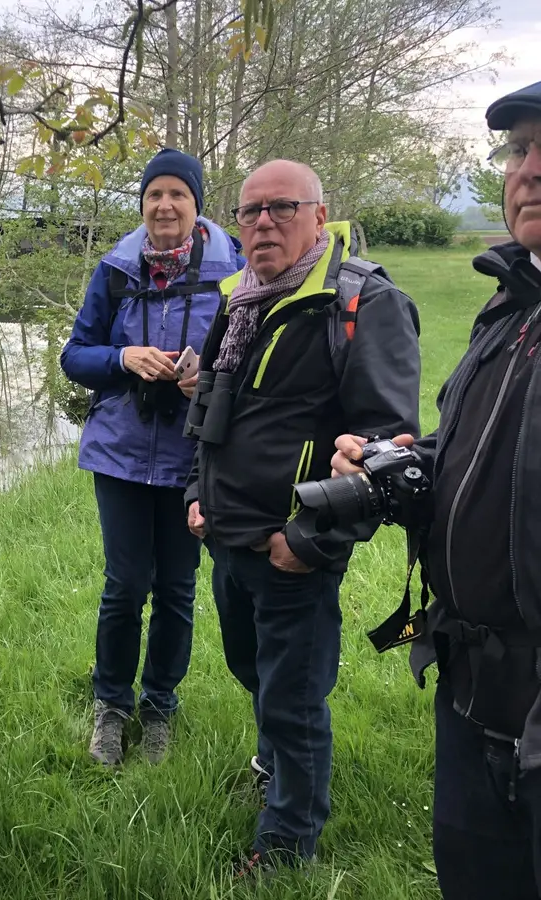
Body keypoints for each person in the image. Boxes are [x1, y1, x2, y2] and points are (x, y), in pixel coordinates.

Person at [331, 79, 541, 900]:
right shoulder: (506, 308)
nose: (529, 170)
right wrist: (400, 467)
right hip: (469, 694)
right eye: (519, 150)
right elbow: (479, 465)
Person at [182, 159, 421, 873]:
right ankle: (278, 769)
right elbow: (210, 409)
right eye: (249, 212)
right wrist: (197, 492)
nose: (262, 225)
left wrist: (309, 541)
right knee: (249, 668)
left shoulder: (361, 302)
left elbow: (386, 446)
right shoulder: (242, 296)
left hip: (292, 545)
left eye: (281, 209)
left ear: (319, 215)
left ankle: (287, 846)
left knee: (292, 696)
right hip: (228, 536)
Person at [60, 148, 243, 766]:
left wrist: (209, 378)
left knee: (176, 588)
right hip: (119, 453)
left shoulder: (233, 272)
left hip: (192, 457)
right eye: (153, 195)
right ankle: (110, 705)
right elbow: (74, 355)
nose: (164, 205)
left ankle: (160, 705)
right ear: (142, 204)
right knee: (124, 585)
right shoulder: (115, 270)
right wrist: (123, 359)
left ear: (197, 206)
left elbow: (248, 359)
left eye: (177, 195)